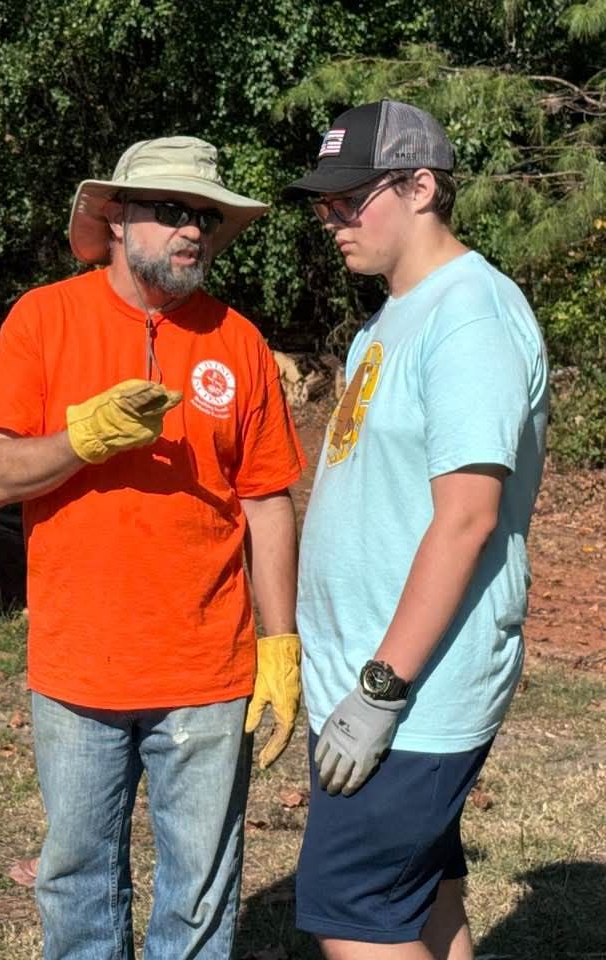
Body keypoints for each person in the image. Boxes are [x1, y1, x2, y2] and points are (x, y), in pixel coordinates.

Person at [0, 136, 305, 960]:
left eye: (205, 217)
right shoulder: (45, 319)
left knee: (200, 893)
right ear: (115, 217)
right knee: (77, 882)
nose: (192, 230)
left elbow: (266, 500)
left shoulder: (237, 340)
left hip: (208, 670)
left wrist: (280, 644)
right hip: (78, 667)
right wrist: (79, 441)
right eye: (172, 210)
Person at [283, 100, 549, 959]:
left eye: (349, 199)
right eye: (323, 204)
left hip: (409, 694)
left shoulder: (469, 316)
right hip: (371, 682)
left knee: (352, 913)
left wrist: (379, 691)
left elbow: (467, 519)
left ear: (421, 187)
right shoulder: (393, 315)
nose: (331, 219)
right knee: (425, 900)